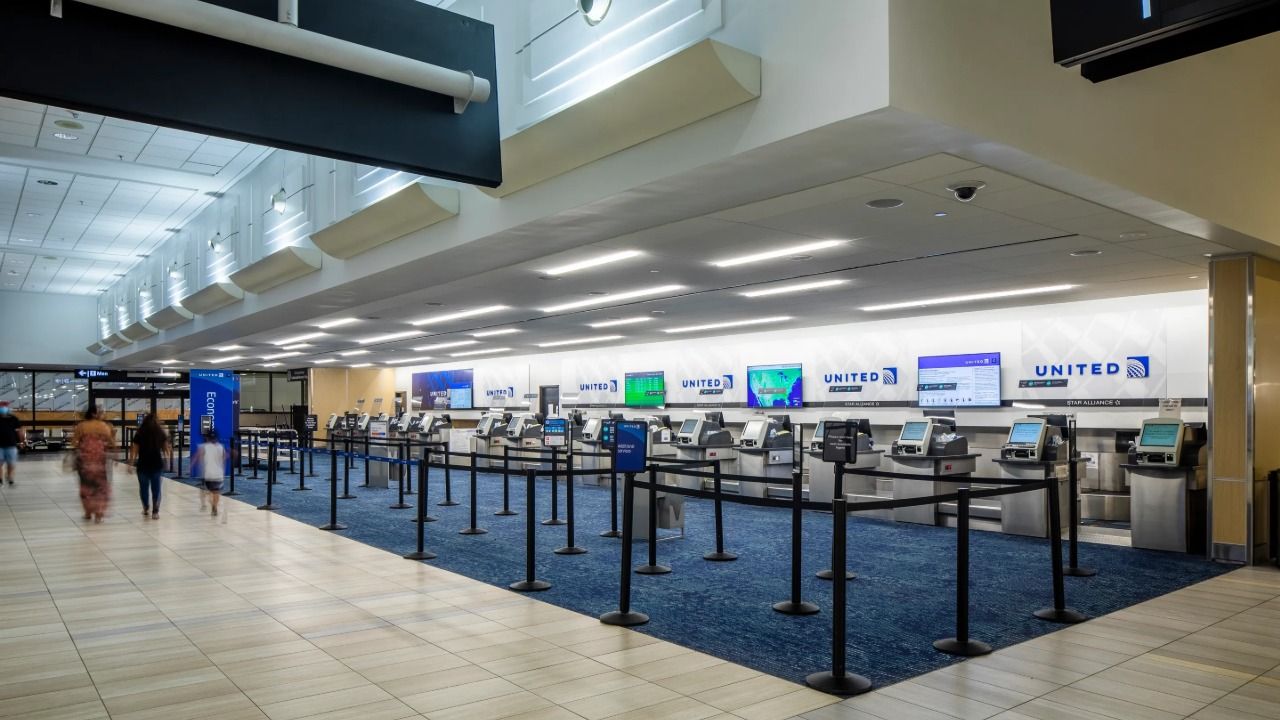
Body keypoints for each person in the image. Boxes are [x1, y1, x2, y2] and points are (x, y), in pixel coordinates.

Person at [72, 406, 114, 523]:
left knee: (86, 487)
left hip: (85, 462)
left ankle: (88, 512)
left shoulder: (81, 426)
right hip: (100, 461)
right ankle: (99, 513)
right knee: (100, 487)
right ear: (95, 414)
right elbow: (111, 442)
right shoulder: (103, 426)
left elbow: (74, 443)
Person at [130, 414, 171, 519]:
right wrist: (168, 461)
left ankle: (146, 507)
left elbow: (134, 450)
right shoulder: (160, 433)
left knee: (143, 488)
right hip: (157, 464)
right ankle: (155, 512)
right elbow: (166, 449)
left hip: (142, 465)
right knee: (156, 488)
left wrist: (131, 463)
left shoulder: (139, 433)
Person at [193, 430, 226, 516]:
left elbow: (198, 458)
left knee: (210, 492)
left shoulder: (203, 447)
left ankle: (212, 505)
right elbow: (224, 459)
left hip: (208, 474)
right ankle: (215, 507)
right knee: (216, 492)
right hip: (218, 474)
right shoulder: (221, 447)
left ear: (207, 438)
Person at [0, 401, 24, 485]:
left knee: (10, 463)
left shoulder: (13, 419)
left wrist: (21, 442)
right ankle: (0, 478)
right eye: (1, 406)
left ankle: (9, 476)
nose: (2, 408)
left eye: (4, 406)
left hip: (11, 445)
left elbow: (19, 431)